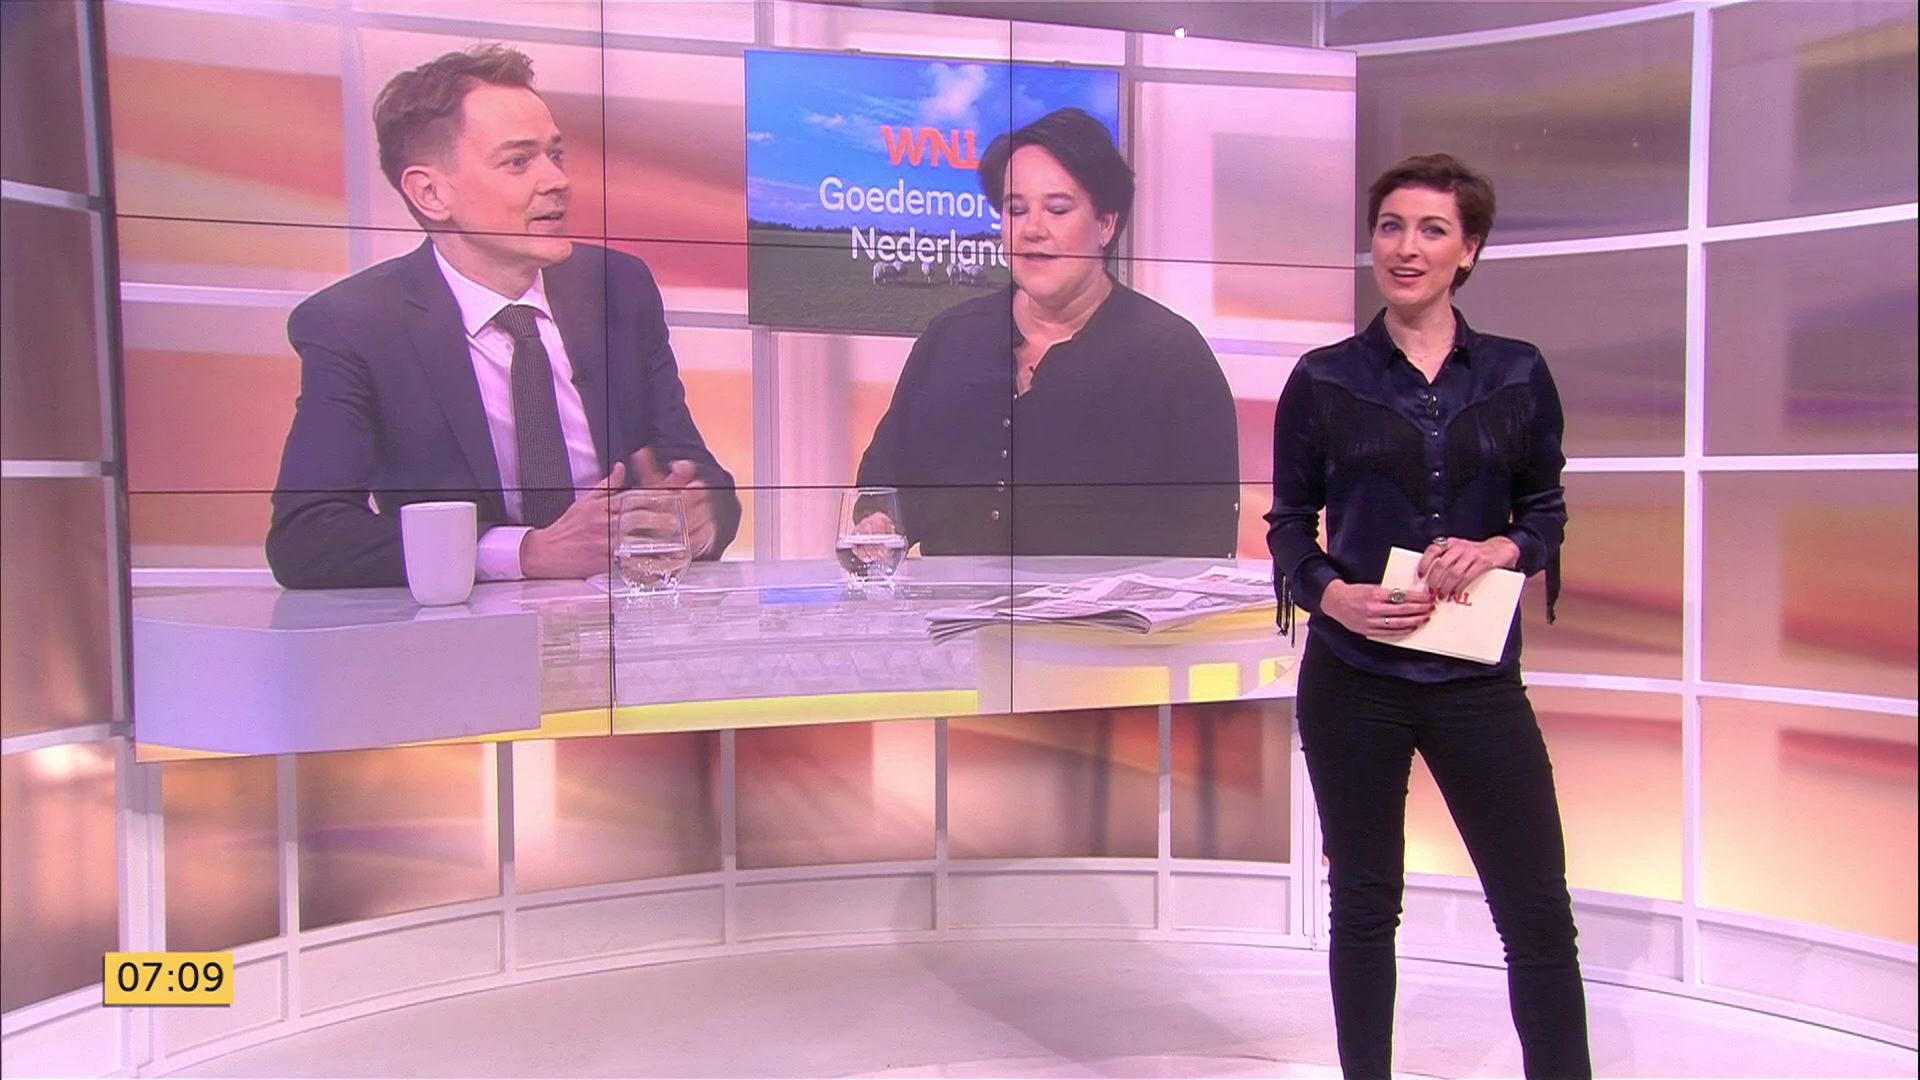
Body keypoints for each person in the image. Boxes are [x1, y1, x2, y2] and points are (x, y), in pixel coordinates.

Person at [1265, 154, 1587, 1079]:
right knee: (1365, 907)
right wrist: (1333, 595)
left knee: (1536, 912)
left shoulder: (1518, 373)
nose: (1406, 248)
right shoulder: (1324, 378)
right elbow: (1288, 523)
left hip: (1477, 681)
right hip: (1355, 680)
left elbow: (1546, 511)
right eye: (1391, 227)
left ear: (1469, 250)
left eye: (1432, 230)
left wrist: (1502, 549)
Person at [267, 45, 739, 590]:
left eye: (555, 156)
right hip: (464, 631)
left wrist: (699, 517)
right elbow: (308, 536)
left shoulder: (619, 287)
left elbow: (697, 477)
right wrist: (525, 552)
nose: (557, 181)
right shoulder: (357, 325)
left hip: (620, 618)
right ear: (431, 193)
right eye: (518, 162)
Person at [856, 108, 1238, 558]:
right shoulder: (949, 341)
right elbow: (885, 484)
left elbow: (1207, 542)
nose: (1032, 230)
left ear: (1105, 224)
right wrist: (878, 522)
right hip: (958, 605)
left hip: (1117, 607)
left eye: (1057, 209)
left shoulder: (1173, 360)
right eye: (1016, 209)